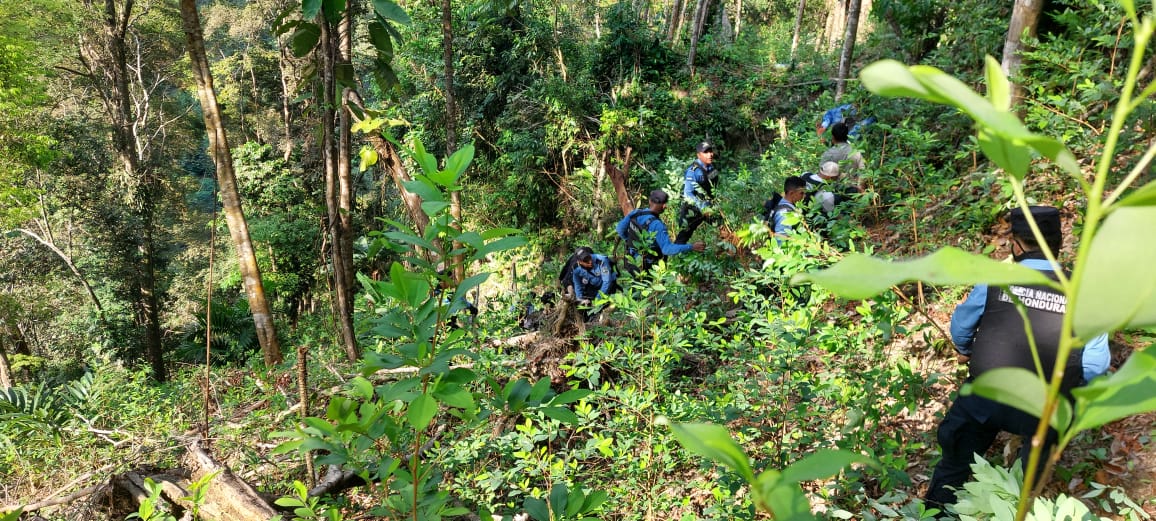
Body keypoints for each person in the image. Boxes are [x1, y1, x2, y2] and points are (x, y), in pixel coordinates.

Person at [923, 206, 1110, 508]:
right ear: (1058, 245)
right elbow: (1095, 365)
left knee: (953, 469)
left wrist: (968, 350)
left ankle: (937, 512)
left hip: (985, 396)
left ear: (1017, 243)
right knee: (1026, 491)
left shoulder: (996, 278)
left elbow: (960, 327)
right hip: (1046, 406)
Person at [617, 189, 705, 274]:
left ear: (649, 201)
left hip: (631, 261)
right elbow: (667, 249)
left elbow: (620, 229)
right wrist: (692, 247)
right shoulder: (657, 225)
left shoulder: (636, 213)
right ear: (664, 206)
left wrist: (631, 241)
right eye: (665, 203)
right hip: (646, 267)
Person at [676, 141, 719, 244]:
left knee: (721, 225)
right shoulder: (693, 171)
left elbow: (713, 187)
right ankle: (675, 257)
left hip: (708, 207)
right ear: (699, 155)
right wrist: (703, 208)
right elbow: (688, 193)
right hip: (692, 209)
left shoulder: (711, 167)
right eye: (706, 152)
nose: (710, 154)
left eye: (710, 151)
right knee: (683, 237)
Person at [819, 121, 866, 190]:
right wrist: (860, 191)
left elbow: (821, 175)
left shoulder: (828, 153)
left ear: (833, 137)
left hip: (833, 191)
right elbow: (863, 173)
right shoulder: (856, 152)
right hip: (852, 191)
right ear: (847, 136)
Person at [762, 176, 808, 241]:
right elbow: (780, 240)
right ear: (791, 193)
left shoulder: (779, 203)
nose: (804, 196)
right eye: (801, 193)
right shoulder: (785, 214)